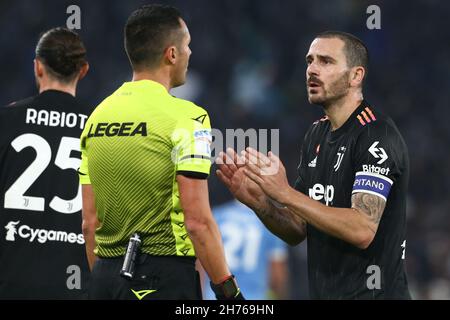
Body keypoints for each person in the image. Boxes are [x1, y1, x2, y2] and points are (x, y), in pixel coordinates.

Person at [217, 31, 411, 299]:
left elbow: (362, 229)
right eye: (310, 61)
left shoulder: (375, 134)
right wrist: (260, 202)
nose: (312, 70)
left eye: (326, 61)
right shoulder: (315, 135)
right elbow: (298, 229)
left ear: (356, 75)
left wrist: (285, 193)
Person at [79, 4, 243, 300]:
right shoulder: (189, 118)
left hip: (104, 278)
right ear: (171, 54)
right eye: (187, 45)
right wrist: (229, 294)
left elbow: (90, 222)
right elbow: (197, 221)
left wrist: (105, 281)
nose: (191, 53)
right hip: (162, 276)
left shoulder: (97, 117)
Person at [0, 27, 90, 299]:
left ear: (37, 67)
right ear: (83, 70)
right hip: (75, 286)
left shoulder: (6, 121)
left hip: (11, 281)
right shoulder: (99, 129)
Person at [202, 200, 288, 300]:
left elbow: (202, 260)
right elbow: (277, 275)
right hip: (254, 296)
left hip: (217, 295)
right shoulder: (270, 222)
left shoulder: (217, 215)